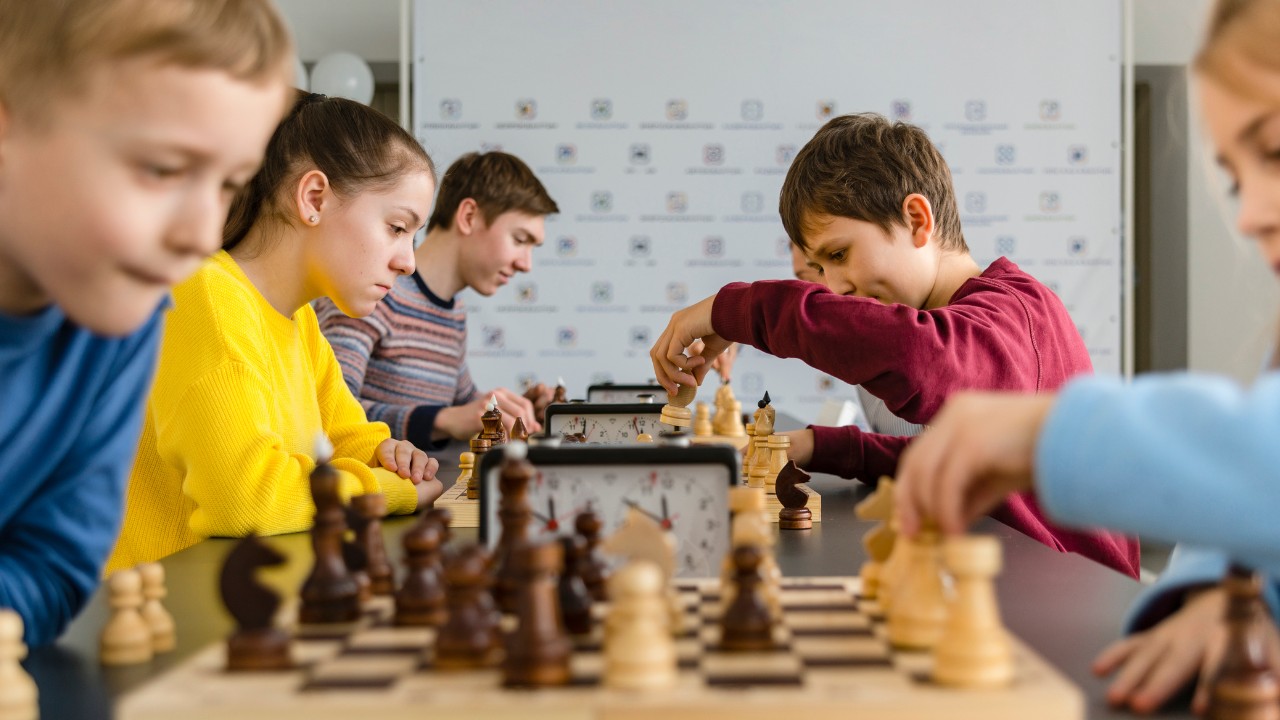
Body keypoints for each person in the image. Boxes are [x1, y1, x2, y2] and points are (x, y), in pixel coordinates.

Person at [893, 0, 1280, 712]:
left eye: (1275, 153)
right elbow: (1251, 499)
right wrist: (1226, 597)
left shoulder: (1001, 302)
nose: (1250, 212)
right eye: (1234, 177)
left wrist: (1048, 432)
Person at [649, 113, 1139, 578]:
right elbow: (962, 466)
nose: (834, 289)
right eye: (819, 270)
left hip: (1077, 623)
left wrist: (738, 310)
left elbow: (915, 356)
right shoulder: (976, 323)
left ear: (918, 221)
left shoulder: (1014, 316)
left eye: (840, 254)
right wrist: (832, 447)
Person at [0, 0, 293, 644]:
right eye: (161, 169)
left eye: (228, 185)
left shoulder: (124, 317)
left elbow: (56, 565)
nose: (203, 235)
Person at [107, 93, 443, 572]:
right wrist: (393, 491)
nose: (408, 261)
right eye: (396, 227)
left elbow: (350, 439)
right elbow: (246, 499)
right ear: (314, 198)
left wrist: (390, 456)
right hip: (157, 616)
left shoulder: (299, 319)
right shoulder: (203, 293)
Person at [318, 151, 559, 446]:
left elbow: (464, 408)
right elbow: (329, 412)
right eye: (520, 240)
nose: (526, 264)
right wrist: (442, 420)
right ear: (468, 217)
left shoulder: (454, 311)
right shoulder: (371, 292)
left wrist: (515, 413)